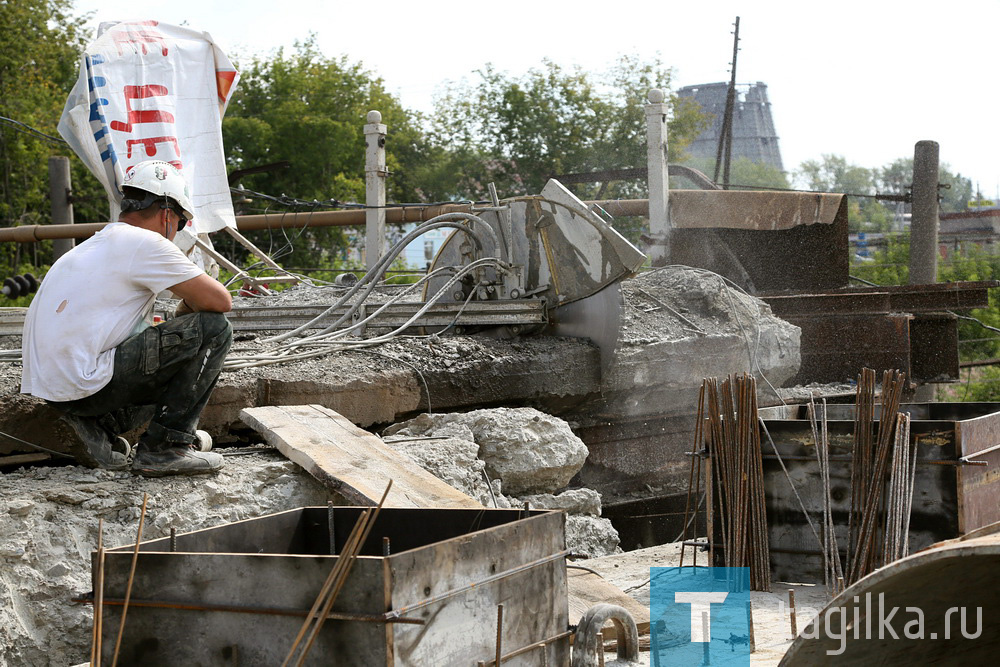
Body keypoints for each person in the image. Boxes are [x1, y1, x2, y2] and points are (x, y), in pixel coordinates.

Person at [21, 160, 233, 477]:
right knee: (215, 330)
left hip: (57, 391)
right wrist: (191, 310)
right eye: (181, 223)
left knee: (163, 352)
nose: (177, 231)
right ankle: (166, 449)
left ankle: (95, 429)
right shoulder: (147, 242)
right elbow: (219, 301)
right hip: (86, 385)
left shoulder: (88, 247)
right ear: (167, 215)